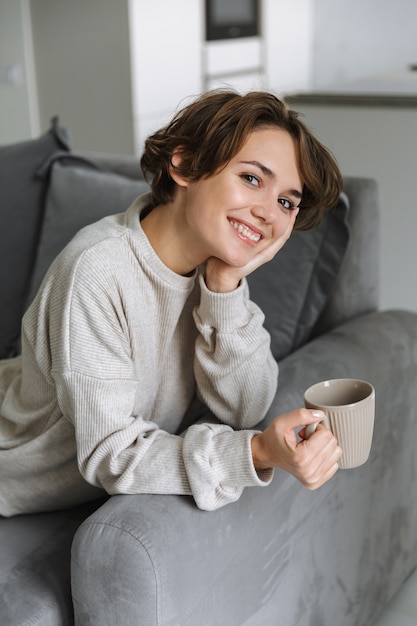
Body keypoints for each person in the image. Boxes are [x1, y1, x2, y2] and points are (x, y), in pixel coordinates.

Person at [0, 90, 343, 517]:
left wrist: (225, 288)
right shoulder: (97, 270)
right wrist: (253, 453)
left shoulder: (213, 264)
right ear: (183, 164)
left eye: (286, 202)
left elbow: (245, 407)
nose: (269, 214)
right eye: (252, 179)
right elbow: (113, 454)